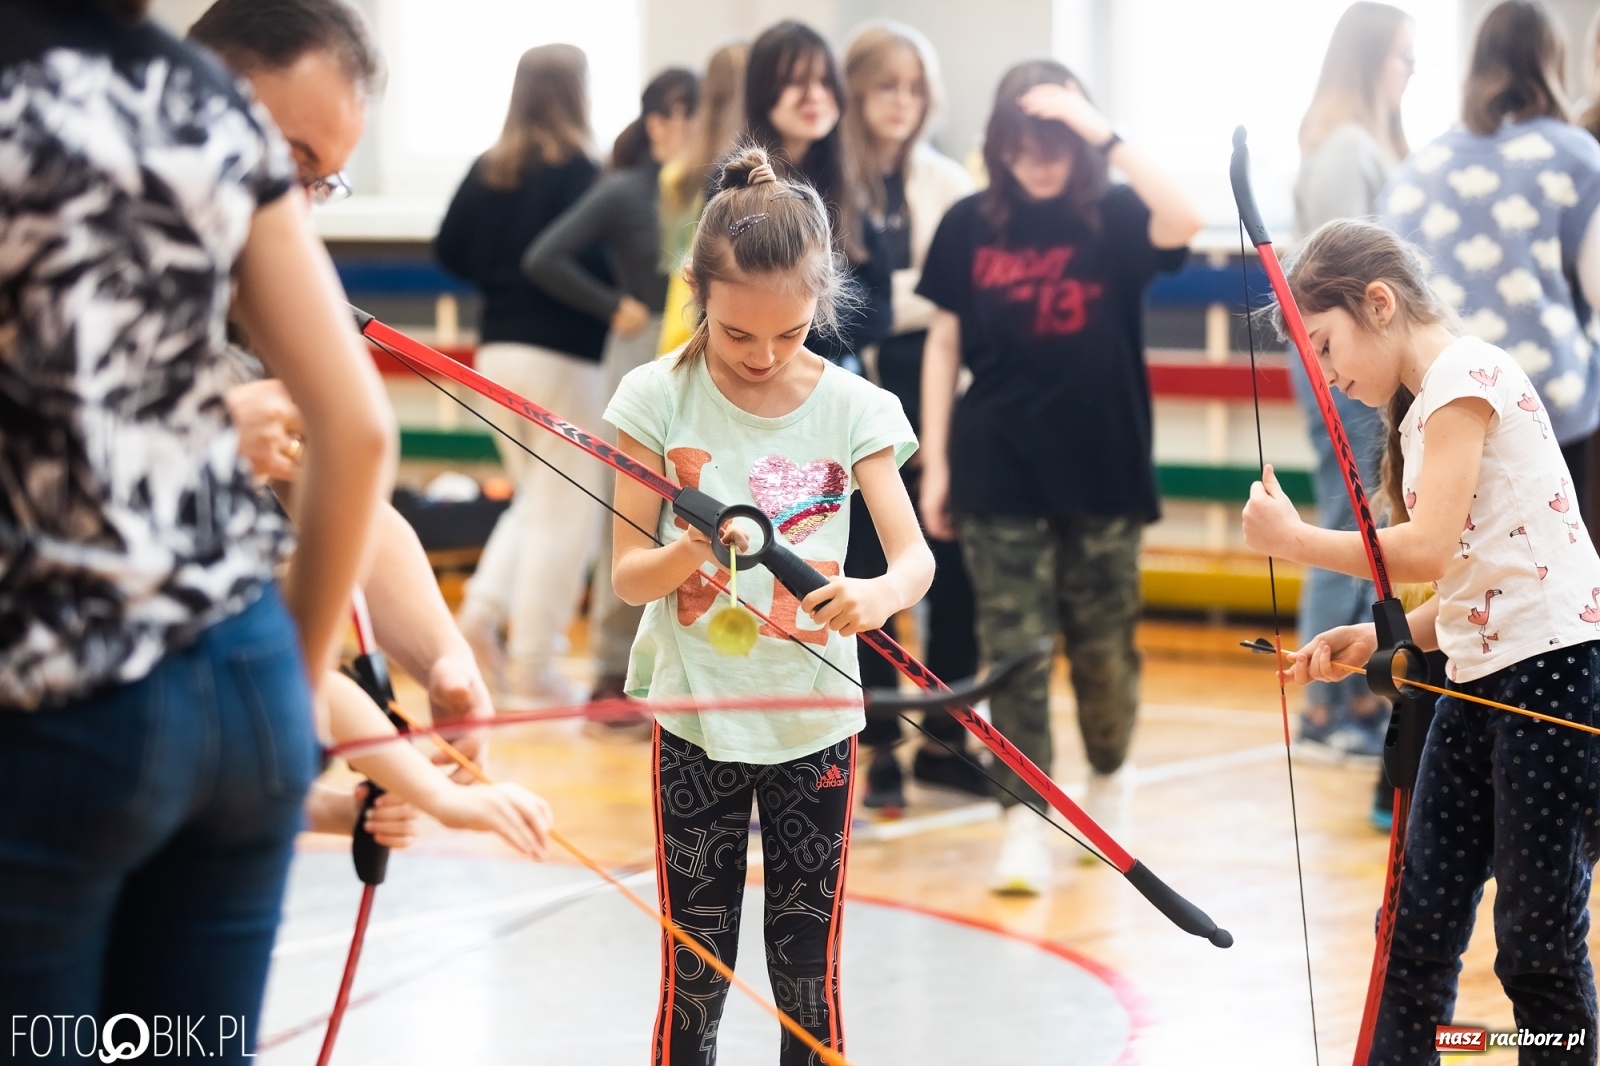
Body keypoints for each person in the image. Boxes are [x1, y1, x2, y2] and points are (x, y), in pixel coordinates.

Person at [0, 0, 394, 1058]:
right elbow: (361, 431)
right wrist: (291, 694)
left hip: (57, 688)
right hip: (243, 690)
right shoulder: (204, 105)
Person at [1242, 217, 1600, 1066]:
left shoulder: (1465, 378)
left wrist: (1296, 543)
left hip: (1553, 679)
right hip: (1480, 681)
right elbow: (1475, 582)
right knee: (1415, 923)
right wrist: (1372, 635)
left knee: (1536, 942)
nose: (1326, 374)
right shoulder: (1423, 408)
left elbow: (1429, 550)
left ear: (1379, 303)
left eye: (1326, 347)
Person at [606, 146, 933, 1065]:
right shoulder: (652, 397)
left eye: (787, 335)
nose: (760, 357)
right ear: (697, 295)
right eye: (734, 333)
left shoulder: (856, 407)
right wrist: (681, 553)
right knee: (696, 966)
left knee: (804, 974)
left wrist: (875, 593)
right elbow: (628, 574)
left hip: (816, 719)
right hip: (697, 711)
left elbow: (915, 561)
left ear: (818, 305)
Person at [188, 0, 490, 848]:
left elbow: (350, 487)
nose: (299, 208)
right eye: (288, 162)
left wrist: (441, 661)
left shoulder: (265, 288)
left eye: (320, 182)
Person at [918, 59, 1202, 895]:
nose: (1039, 157)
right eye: (1023, 139)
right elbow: (944, 343)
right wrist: (935, 461)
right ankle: (1023, 822)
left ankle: (1111, 783)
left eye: (1057, 140)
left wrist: (1099, 129)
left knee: (1104, 648)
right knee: (1015, 652)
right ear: (998, 143)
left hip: (1104, 465)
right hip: (996, 462)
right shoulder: (969, 223)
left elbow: (1183, 215)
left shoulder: (1114, 215)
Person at [1381, 0, 1600, 532]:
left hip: (1441, 404)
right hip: (1552, 405)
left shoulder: (1418, 169)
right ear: (1552, 61)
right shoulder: (1577, 156)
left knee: (1467, 574)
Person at [437, 44, 613, 708]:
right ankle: (535, 664)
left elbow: (447, 246)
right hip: (565, 353)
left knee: (536, 500)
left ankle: (481, 618)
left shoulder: (492, 168)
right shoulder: (583, 174)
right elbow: (598, 265)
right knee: (567, 509)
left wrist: (499, 280)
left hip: (498, 351)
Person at [524, 68, 699, 724]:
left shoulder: (716, 188)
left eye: (693, 115)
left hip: (705, 354)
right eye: (670, 114)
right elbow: (545, 256)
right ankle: (609, 673)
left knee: (689, 516)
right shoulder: (626, 191)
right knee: (626, 514)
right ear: (652, 122)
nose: (680, 128)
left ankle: (679, 677)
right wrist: (612, 305)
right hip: (642, 350)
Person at [840, 20, 984, 809]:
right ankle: (883, 747)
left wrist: (905, 308)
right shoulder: (836, 181)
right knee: (873, 570)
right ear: (856, 93)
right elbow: (845, 306)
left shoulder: (948, 183)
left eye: (914, 89)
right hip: (863, 391)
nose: (901, 103)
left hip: (941, 389)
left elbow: (944, 304)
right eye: (885, 86)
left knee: (951, 568)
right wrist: (908, 306)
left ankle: (950, 739)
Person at [1289, 2, 1415, 773]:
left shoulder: (1372, 144)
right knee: (1351, 512)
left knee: (1364, 508)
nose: (1410, 72)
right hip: (1344, 362)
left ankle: (1351, 696)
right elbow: (1334, 281)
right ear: (1368, 60)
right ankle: (1325, 703)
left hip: (1366, 357)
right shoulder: (1342, 147)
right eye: (1402, 56)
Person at [659, 42, 749, 354]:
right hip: (720, 320)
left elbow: (671, 257)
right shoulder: (745, 172)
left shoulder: (676, 174)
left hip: (679, 316)